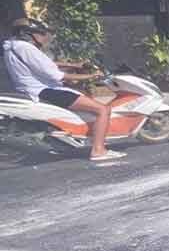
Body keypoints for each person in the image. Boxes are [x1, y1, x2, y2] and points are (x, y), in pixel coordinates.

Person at [3, 18, 122, 161]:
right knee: (102, 110)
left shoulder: (12, 47)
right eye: (40, 33)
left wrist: (75, 65)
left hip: (32, 89)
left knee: (84, 98)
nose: (44, 37)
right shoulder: (26, 48)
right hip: (44, 90)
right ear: (27, 34)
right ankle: (98, 150)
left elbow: (44, 64)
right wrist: (91, 76)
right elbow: (57, 75)